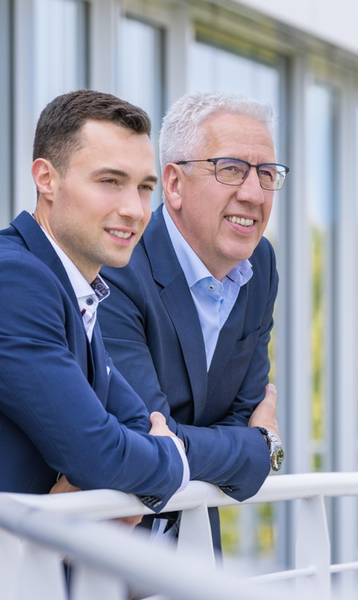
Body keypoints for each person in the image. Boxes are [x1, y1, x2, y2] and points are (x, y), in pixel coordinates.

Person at [0, 89, 190, 600]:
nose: (134, 209)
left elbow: (126, 426)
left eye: (145, 187)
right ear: (46, 178)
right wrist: (170, 456)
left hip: (19, 575)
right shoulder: (7, 281)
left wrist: (117, 467)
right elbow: (100, 452)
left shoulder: (69, 289)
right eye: (110, 181)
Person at [99, 91, 287, 544]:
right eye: (231, 169)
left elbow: (242, 410)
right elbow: (143, 438)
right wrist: (260, 449)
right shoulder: (120, 262)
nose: (253, 194)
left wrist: (201, 442)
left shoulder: (260, 264)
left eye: (266, 174)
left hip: (194, 547)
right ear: (174, 184)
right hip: (105, 550)